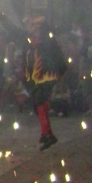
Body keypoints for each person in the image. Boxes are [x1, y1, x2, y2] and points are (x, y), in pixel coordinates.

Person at [23, 15, 67, 150]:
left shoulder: (48, 40)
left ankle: (45, 134)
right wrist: (0, 16)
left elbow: (59, 57)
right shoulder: (29, 41)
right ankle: (49, 134)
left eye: (34, 26)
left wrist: (61, 73)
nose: (32, 28)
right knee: (39, 106)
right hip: (35, 78)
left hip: (47, 76)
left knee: (40, 101)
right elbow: (13, 30)